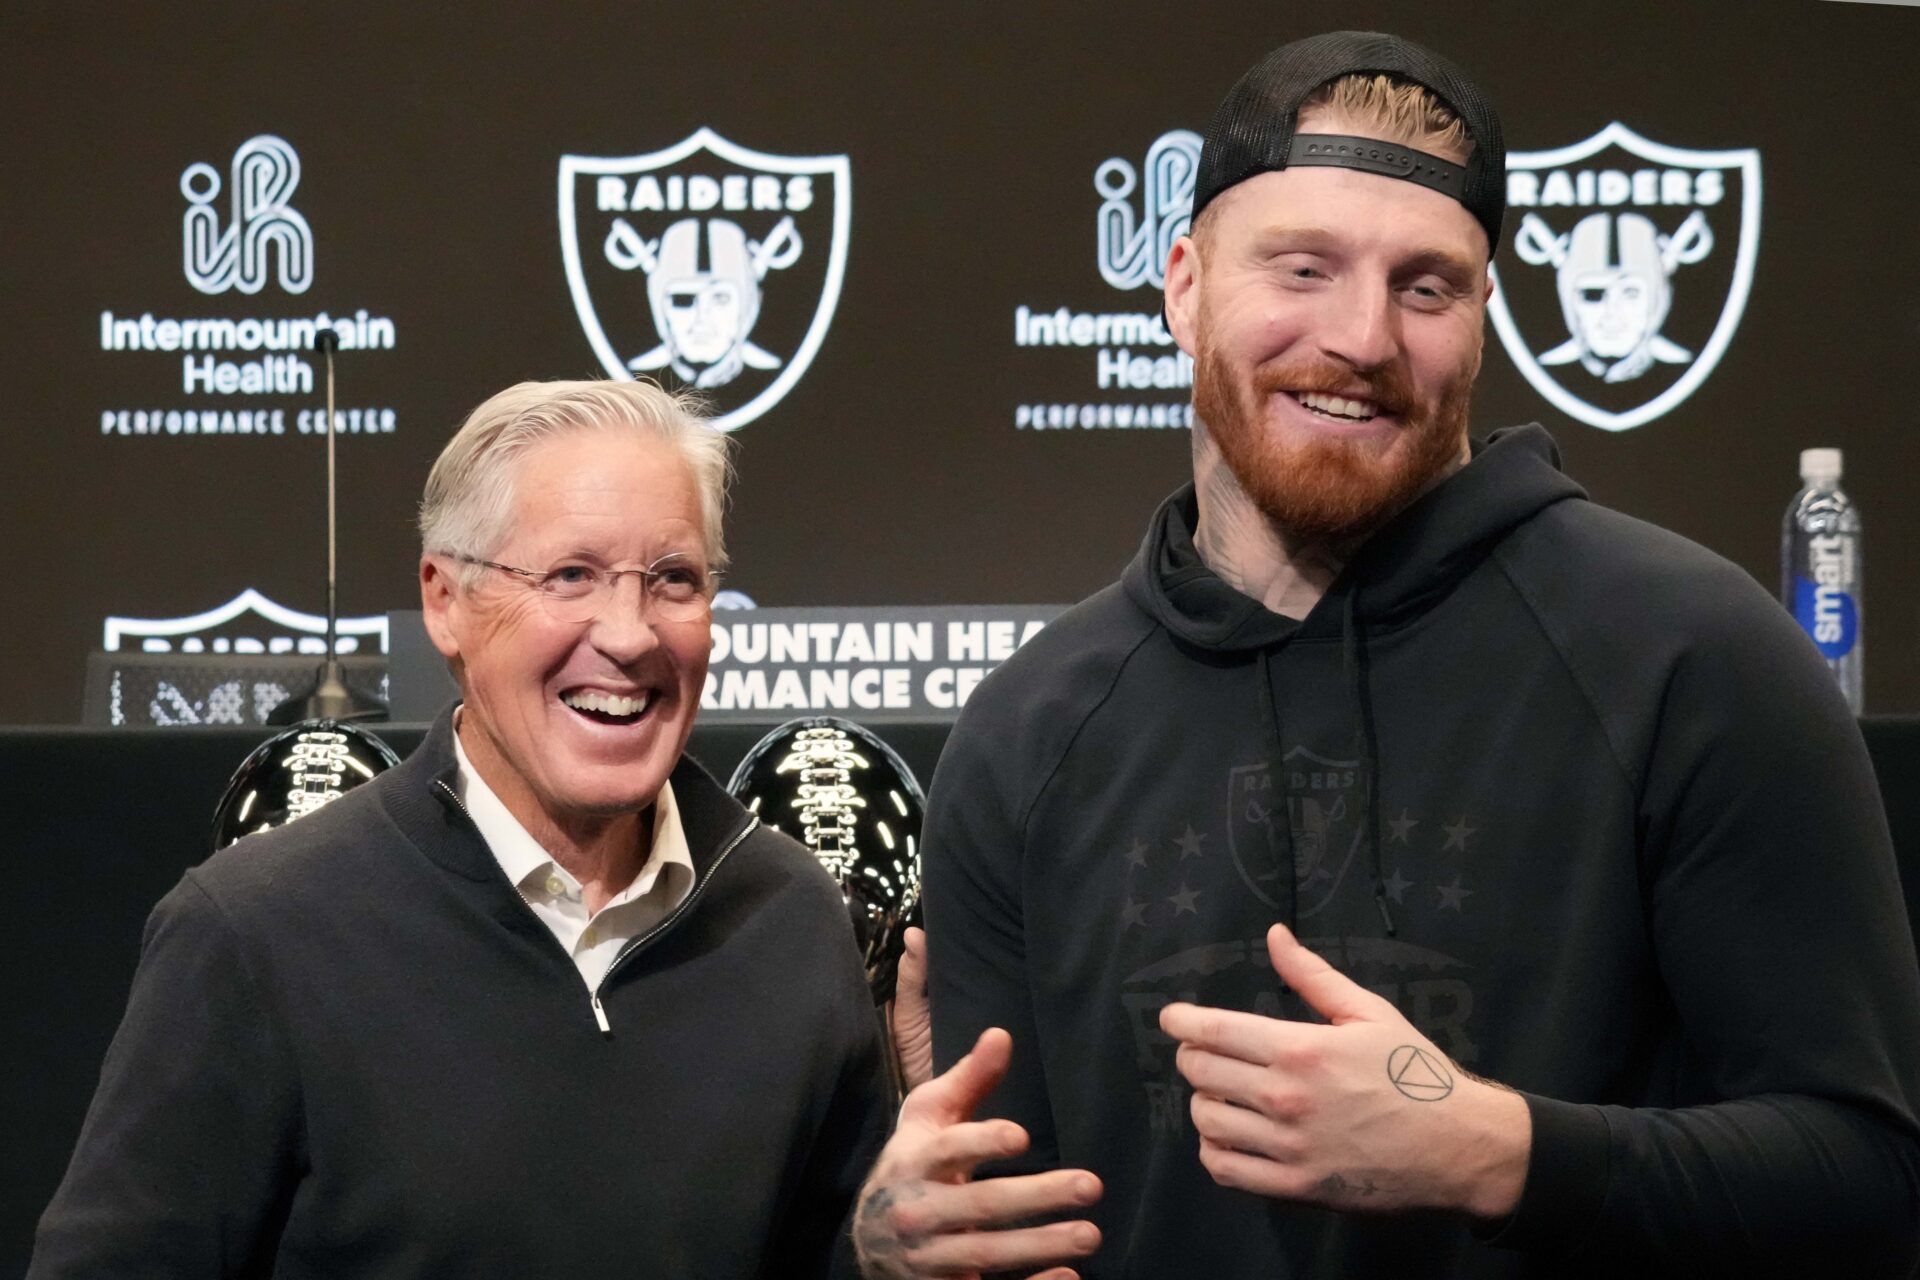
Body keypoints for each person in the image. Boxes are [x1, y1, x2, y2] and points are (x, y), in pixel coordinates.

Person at [853, 30, 1920, 1279]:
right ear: (1185, 284)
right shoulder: (1026, 731)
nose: (1362, 336)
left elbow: (1873, 1183)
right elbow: (1011, 1224)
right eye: (1303, 267)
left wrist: (1495, 1147)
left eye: (1426, 286)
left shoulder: (1698, 657)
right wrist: (899, 1243)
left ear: (1479, 317)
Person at [32, 380, 893, 1278]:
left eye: (673, 579)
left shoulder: (791, 918)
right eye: (571, 575)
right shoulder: (257, 934)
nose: (631, 635)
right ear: (446, 603)